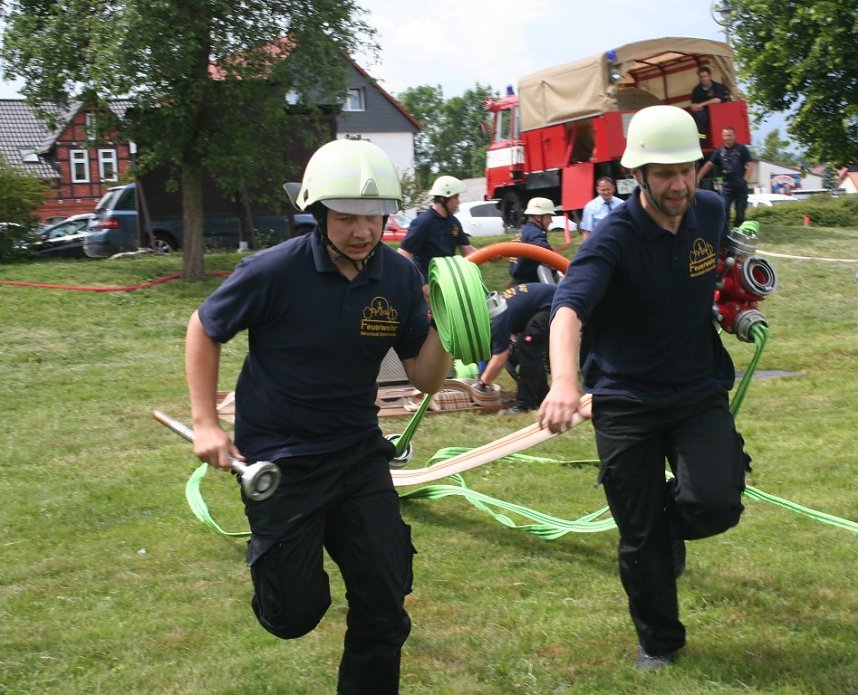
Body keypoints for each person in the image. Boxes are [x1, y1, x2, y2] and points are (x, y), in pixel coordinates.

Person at [185, 139, 452, 694]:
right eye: (347, 217)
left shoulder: (398, 277)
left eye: (374, 217)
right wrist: (206, 422)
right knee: (295, 614)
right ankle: (282, 574)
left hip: (358, 455)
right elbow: (204, 328)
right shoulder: (273, 271)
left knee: (385, 602)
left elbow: (424, 378)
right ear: (318, 212)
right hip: (283, 462)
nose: (362, 231)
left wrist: (451, 326)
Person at [538, 105, 751, 670]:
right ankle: (660, 645)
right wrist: (564, 382)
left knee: (715, 504)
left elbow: (716, 266)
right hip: (625, 400)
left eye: (686, 170)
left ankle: (665, 531)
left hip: (697, 388)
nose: (678, 185)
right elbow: (567, 309)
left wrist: (734, 300)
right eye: (664, 174)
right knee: (638, 533)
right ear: (638, 175)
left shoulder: (710, 210)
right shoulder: (613, 239)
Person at [477, 282, 555, 414]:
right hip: (547, 302)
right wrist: (482, 375)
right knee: (528, 349)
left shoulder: (497, 321)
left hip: (554, 305)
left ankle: (525, 405)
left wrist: (482, 383)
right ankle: (541, 397)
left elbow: (499, 359)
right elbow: (488, 352)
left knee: (527, 348)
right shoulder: (494, 310)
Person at [397, 175, 476, 279]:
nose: (458, 202)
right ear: (443, 198)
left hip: (448, 280)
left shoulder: (453, 222)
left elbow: (467, 249)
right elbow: (404, 254)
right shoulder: (423, 222)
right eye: (455, 197)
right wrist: (418, 283)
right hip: (428, 283)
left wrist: (489, 255)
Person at [698, 126, 753, 227]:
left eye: (730, 135)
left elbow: (750, 165)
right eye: (725, 136)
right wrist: (698, 178)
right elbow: (709, 164)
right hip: (727, 186)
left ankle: (737, 233)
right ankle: (725, 234)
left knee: (740, 214)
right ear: (722, 137)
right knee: (724, 210)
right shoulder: (719, 151)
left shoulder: (742, 149)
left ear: (734, 136)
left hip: (740, 186)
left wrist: (745, 179)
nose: (728, 138)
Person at [510, 197, 556, 283]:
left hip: (519, 284)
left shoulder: (522, 231)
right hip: (531, 285)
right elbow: (552, 258)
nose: (551, 221)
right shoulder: (533, 233)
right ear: (538, 217)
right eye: (549, 217)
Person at [689, 66, 726, 141]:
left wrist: (701, 105)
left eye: (705, 76)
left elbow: (717, 100)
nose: (703, 79)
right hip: (702, 114)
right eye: (701, 77)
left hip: (717, 113)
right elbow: (693, 106)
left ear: (710, 76)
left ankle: (720, 139)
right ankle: (702, 140)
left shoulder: (717, 86)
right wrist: (695, 107)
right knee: (699, 117)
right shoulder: (696, 89)